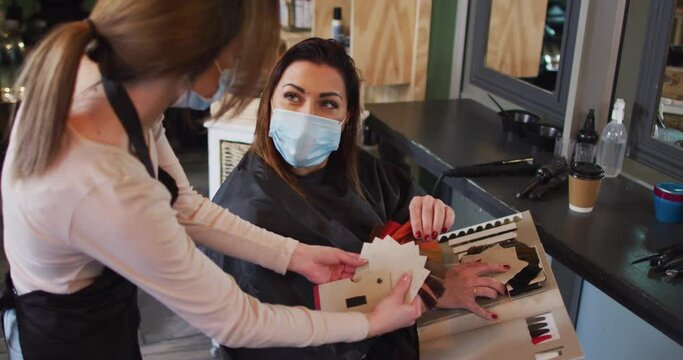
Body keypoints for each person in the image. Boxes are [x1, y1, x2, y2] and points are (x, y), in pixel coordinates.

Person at [0, 2, 421, 359]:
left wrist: (293, 255)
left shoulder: (112, 80)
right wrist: (366, 324)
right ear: (202, 59)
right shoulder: (104, 187)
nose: (239, 72)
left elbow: (182, 202)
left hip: (97, 304)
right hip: (64, 338)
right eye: (237, 57)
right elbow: (237, 320)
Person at [213, 37, 510, 360]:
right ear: (269, 102)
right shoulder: (245, 212)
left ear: (347, 115)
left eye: (327, 103)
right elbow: (289, 335)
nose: (307, 116)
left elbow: (409, 227)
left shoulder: (362, 170)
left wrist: (430, 217)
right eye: (293, 97)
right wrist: (429, 294)